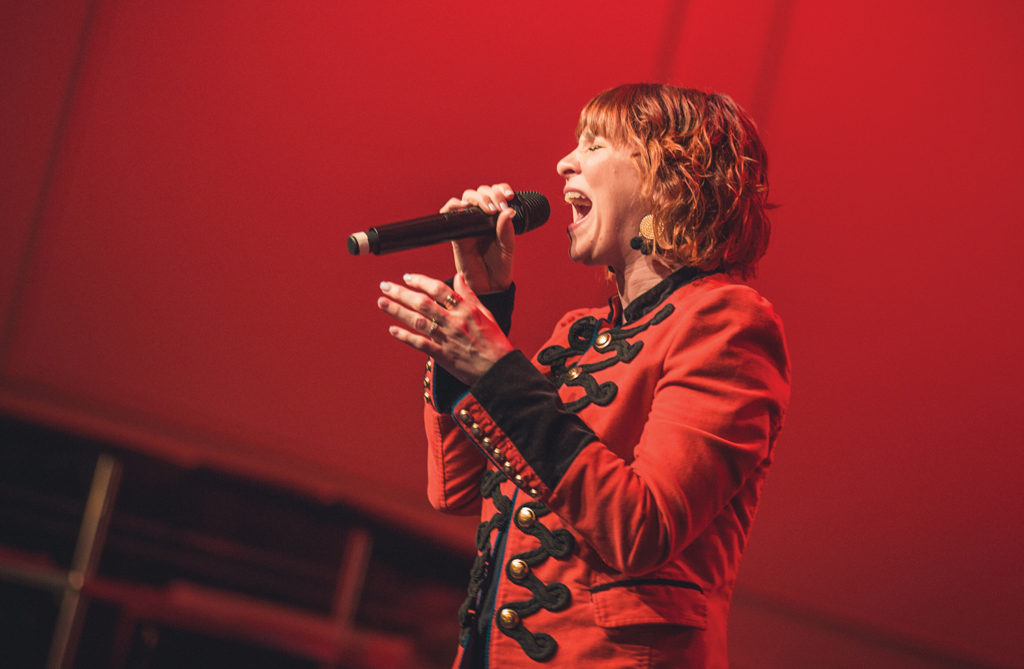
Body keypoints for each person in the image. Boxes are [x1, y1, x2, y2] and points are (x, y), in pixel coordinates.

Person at [376, 83, 790, 668]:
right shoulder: (579, 334)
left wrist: (497, 369)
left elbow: (642, 528)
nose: (564, 163)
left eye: (594, 145)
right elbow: (456, 488)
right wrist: (486, 301)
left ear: (671, 177)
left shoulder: (729, 323)